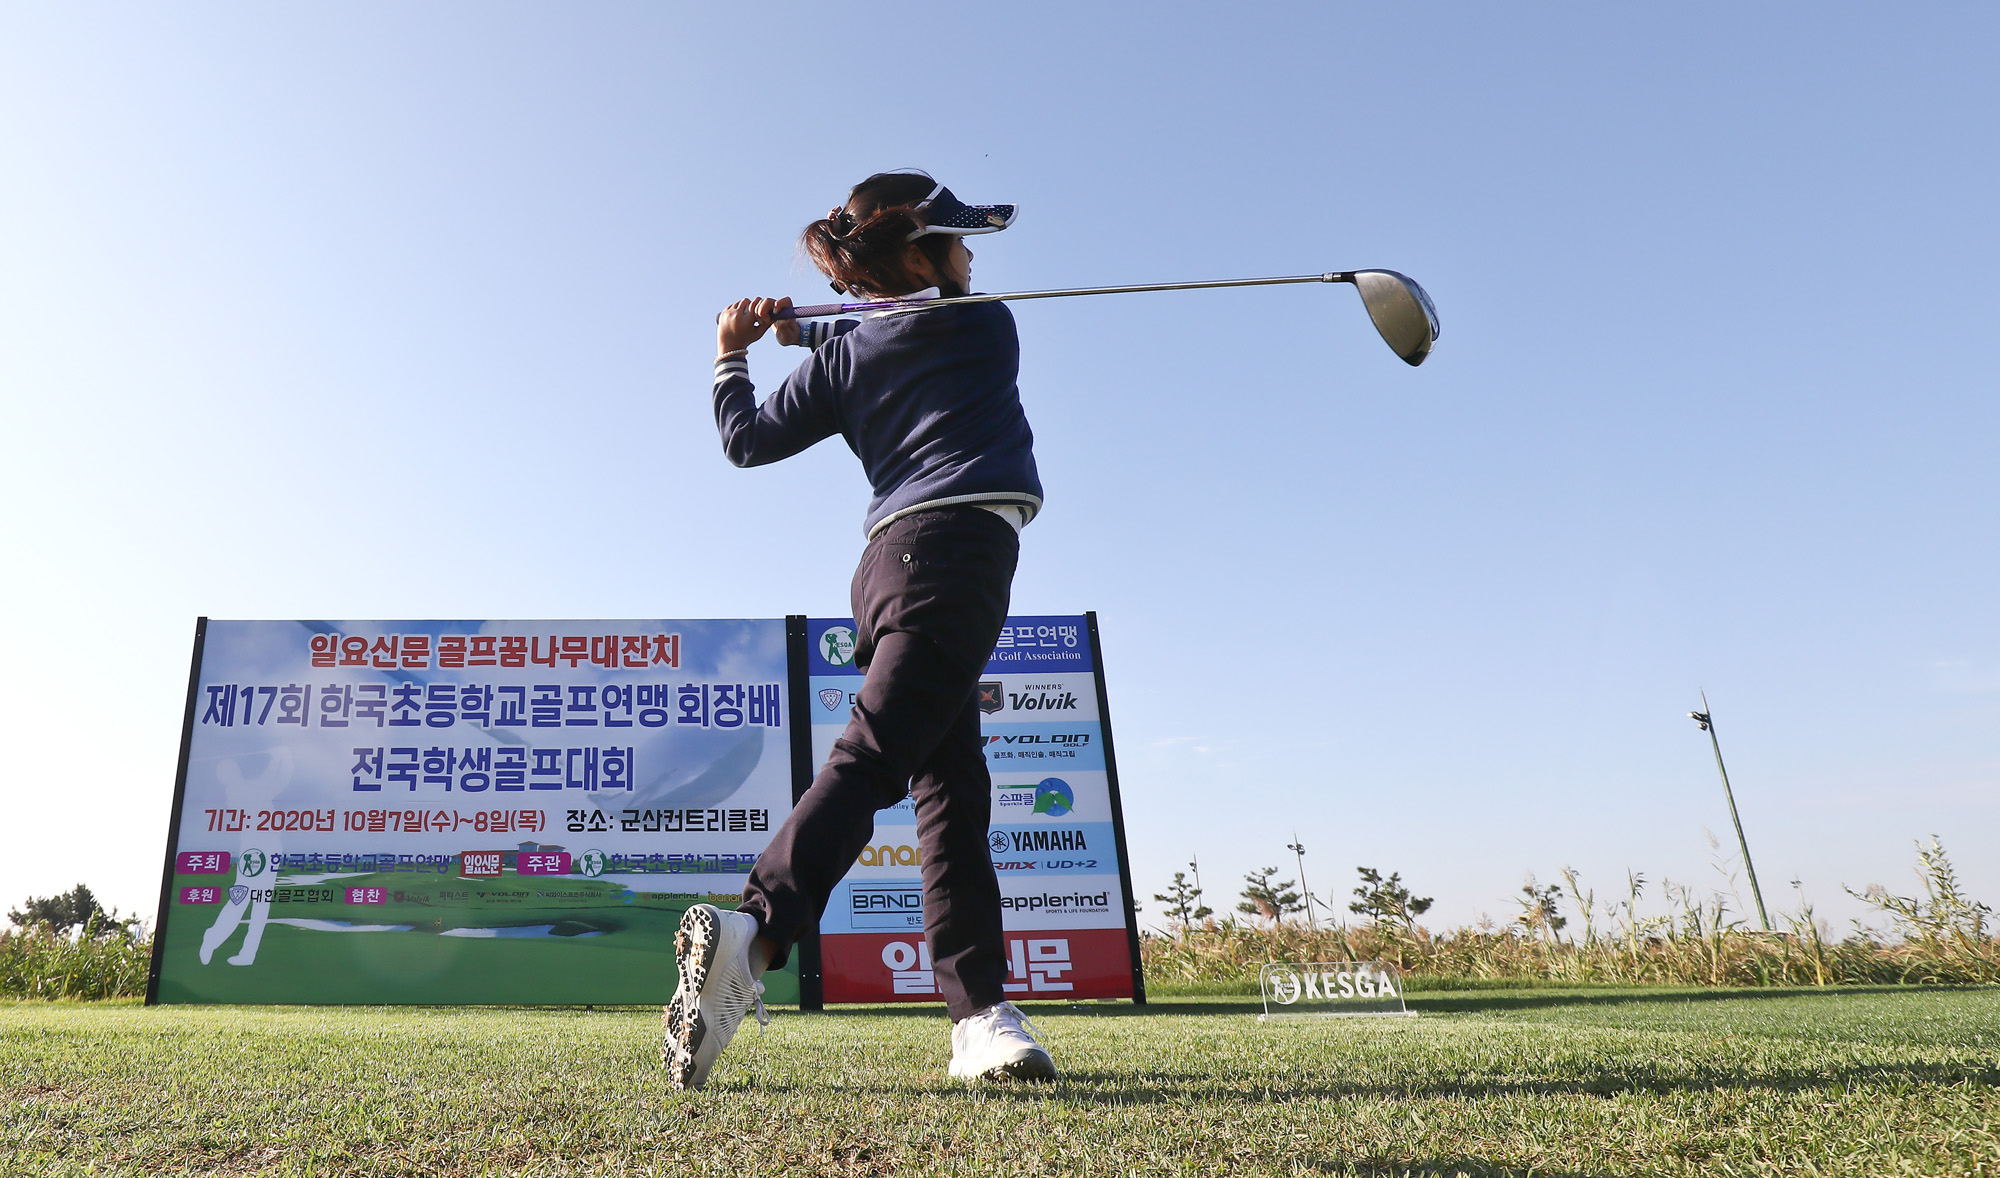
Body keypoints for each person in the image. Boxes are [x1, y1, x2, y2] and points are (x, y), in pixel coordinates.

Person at [662, 171, 1056, 1090]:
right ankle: (754, 935)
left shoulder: (840, 361)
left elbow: (747, 440)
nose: (971, 260)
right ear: (918, 254)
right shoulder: (985, 324)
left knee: (952, 790)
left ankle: (979, 1017)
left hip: (885, 569)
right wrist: (826, 327)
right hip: (954, 554)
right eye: (957, 245)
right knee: (876, 756)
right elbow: (904, 323)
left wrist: (739, 353)